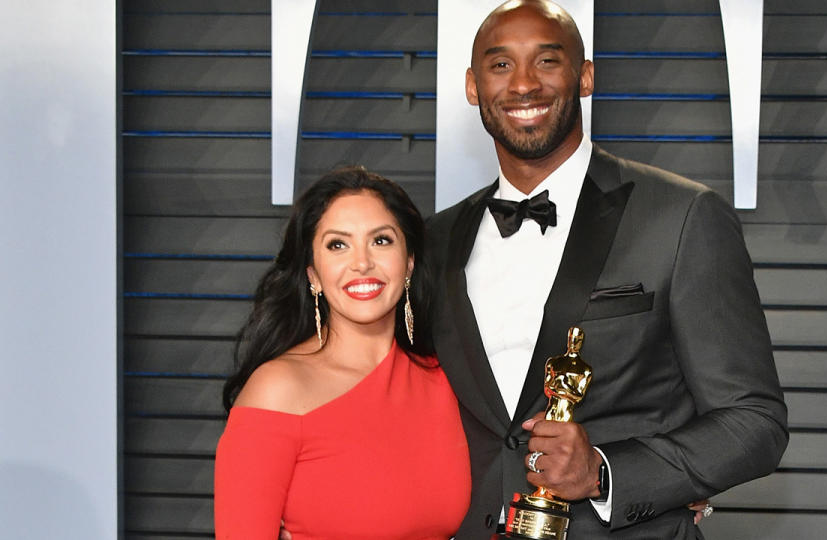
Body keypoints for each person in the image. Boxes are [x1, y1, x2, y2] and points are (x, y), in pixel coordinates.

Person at [425, 1, 789, 537]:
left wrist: (608, 473)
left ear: (586, 77)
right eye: (500, 65)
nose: (524, 84)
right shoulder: (433, 241)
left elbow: (754, 422)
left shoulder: (680, 216)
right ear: (473, 86)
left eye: (547, 61)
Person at [215, 167, 471, 539]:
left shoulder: (449, 380)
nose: (362, 262)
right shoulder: (278, 390)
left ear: (410, 262)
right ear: (313, 275)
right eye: (338, 244)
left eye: (381, 241)